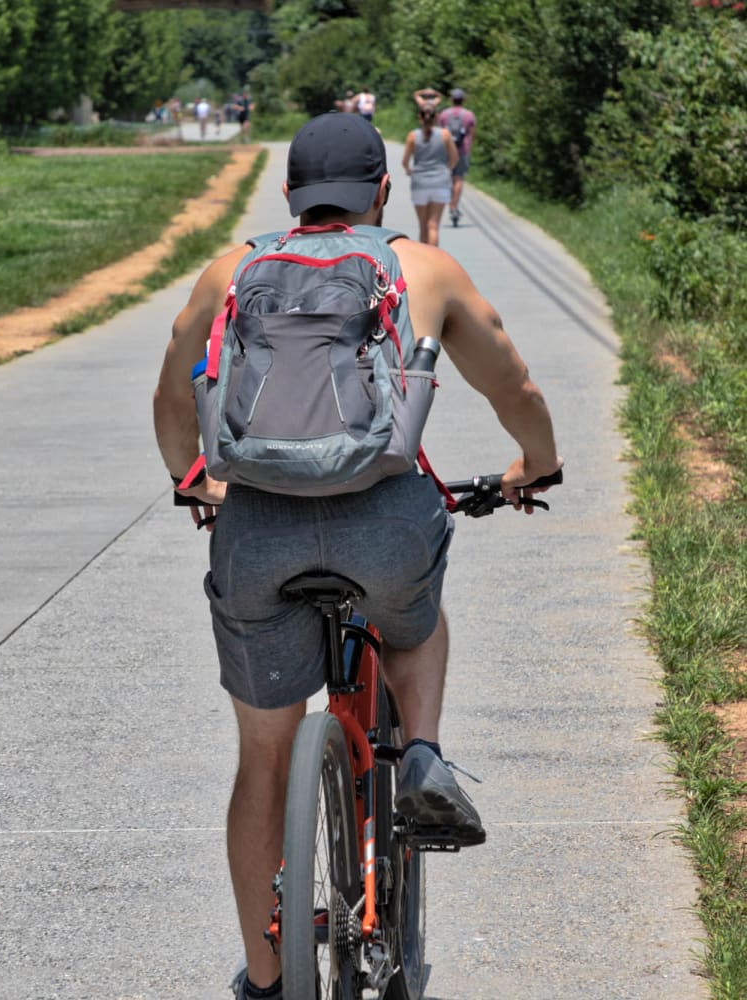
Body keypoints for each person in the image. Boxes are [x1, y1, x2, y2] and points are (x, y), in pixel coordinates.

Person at [153, 113, 561, 1000]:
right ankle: (420, 754)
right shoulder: (422, 267)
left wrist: (198, 483)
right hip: (384, 521)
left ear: (291, 196)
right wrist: (537, 462)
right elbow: (514, 383)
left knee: (261, 757)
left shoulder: (235, 269)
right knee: (414, 616)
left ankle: (268, 979)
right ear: (383, 189)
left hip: (258, 531)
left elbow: (170, 394)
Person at [402, 101, 459, 245]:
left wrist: (409, 171)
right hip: (440, 182)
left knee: (423, 226)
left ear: (419, 117)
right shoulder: (445, 135)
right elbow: (454, 158)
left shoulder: (412, 136)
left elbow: (405, 162)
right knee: (433, 225)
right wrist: (447, 169)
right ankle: (435, 259)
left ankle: (424, 261)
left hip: (419, 182)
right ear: (436, 117)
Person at [438, 88, 476, 225]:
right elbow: (472, 133)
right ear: (463, 100)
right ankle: (454, 207)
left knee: (448, 178)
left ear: (452, 99)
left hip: (447, 150)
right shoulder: (468, 115)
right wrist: (468, 146)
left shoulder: (444, 114)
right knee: (458, 179)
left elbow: (440, 133)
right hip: (462, 150)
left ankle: (451, 204)